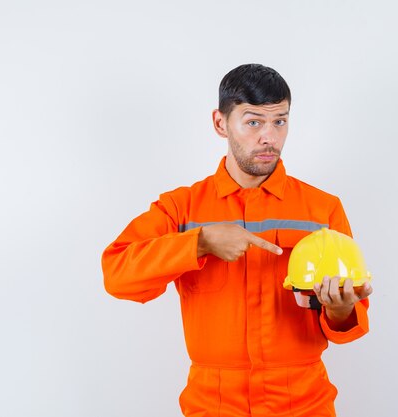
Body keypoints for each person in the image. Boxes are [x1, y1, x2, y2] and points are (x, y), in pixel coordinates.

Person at [102, 63, 373, 417]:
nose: (269, 137)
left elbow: (347, 323)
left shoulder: (322, 209)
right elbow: (117, 274)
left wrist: (341, 310)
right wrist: (199, 243)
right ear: (220, 123)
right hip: (213, 405)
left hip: (303, 404)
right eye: (253, 122)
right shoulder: (181, 208)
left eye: (280, 121)